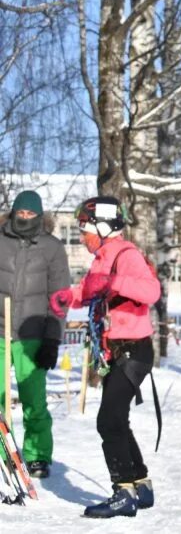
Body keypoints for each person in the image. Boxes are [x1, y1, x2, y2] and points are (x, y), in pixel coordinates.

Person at [49, 196, 161, 518]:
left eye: (85, 230)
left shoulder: (126, 255)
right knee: (116, 419)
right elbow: (88, 289)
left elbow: (151, 291)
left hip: (134, 349)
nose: (82, 237)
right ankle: (141, 484)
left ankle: (123, 492)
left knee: (108, 420)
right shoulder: (102, 257)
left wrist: (114, 282)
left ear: (103, 227)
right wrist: (67, 297)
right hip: (117, 350)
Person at [0, 189, 71, 479]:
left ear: (39, 216)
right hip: (0, 332)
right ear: (13, 212)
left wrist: (52, 339)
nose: (25, 217)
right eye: (21, 212)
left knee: (34, 401)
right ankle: (5, 453)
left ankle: (38, 455)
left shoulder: (52, 248)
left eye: (30, 214)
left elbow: (60, 297)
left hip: (33, 334)